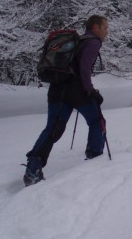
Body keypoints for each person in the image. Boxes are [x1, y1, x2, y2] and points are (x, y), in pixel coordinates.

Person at [23, 15, 109, 186]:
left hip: (57, 88)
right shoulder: (93, 42)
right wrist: (90, 91)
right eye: (105, 27)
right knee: (96, 120)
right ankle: (95, 158)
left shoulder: (79, 41)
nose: (107, 31)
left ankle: (33, 170)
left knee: (53, 128)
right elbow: (84, 68)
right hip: (76, 90)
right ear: (95, 27)